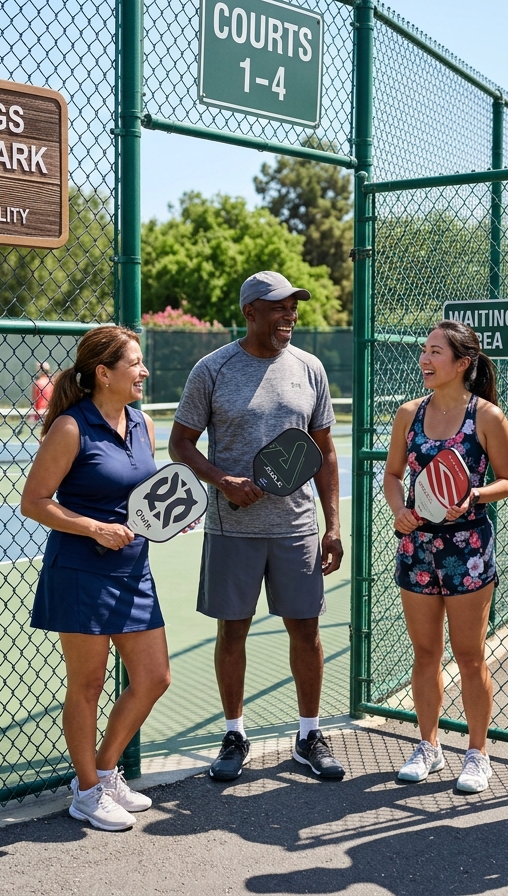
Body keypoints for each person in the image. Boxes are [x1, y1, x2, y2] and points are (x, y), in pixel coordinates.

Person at [168, 271, 346, 782]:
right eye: (278, 307)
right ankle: (234, 733)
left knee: (306, 631)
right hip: (232, 528)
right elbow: (182, 443)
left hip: (296, 528)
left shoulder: (310, 369)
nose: (290, 314)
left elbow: (325, 454)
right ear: (250, 312)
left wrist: (332, 525)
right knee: (233, 631)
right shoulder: (213, 369)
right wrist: (222, 480)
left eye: (294, 306)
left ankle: (308, 734)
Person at [20, 326, 169, 832]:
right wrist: (93, 528)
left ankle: (105, 770)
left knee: (154, 677)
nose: (144, 372)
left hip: (133, 568)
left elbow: (145, 493)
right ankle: (86, 791)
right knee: (87, 685)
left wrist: (172, 516)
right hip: (82, 569)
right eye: (135, 364)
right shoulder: (70, 427)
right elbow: (34, 501)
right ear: (104, 374)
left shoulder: (144, 423)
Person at [382, 320, 508, 793]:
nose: (425, 358)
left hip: (469, 551)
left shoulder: (487, 417)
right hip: (416, 548)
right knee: (425, 653)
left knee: (469, 654)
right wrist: (399, 510)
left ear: (462, 363)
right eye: (424, 349)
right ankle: (429, 746)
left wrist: (474, 495)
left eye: (436, 352)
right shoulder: (407, 413)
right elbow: (394, 475)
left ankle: (478, 754)